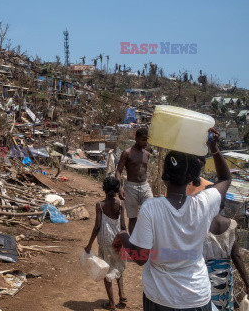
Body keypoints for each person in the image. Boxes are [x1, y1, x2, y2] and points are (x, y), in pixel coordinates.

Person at [113, 128, 231, 311]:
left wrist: (124, 236)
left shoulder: (151, 208)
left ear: (164, 176)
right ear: (192, 177)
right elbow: (225, 178)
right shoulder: (204, 202)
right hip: (197, 297)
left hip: (160, 298)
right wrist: (213, 147)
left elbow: (141, 258)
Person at [202, 186, 249, 311]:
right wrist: (247, 282)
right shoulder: (231, 225)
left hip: (204, 278)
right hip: (225, 279)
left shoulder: (200, 226)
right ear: (222, 204)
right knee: (225, 305)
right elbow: (236, 256)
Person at [85, 177, 127, 310]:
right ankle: (122, 294)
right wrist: (124, 241)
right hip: (118, 240)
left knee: (107, 271)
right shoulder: (120, 204)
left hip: (105, 241)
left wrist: (90, 244)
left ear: (104, 188)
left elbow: (97, 226)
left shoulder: (100, 205)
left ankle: (111, 303)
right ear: (116, 189)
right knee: (118, 266)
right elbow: (123, 226)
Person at [115, 127, 153, 234]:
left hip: (145, 186)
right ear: (136, 138)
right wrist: (120, 187)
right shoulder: (127, 153)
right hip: (131, 187)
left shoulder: (147, 154)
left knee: (151, 212)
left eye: (147, 140)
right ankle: (133, 243)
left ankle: (146, 239)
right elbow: (118, 171)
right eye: (143, 140)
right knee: (132, 218)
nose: (145, 142)